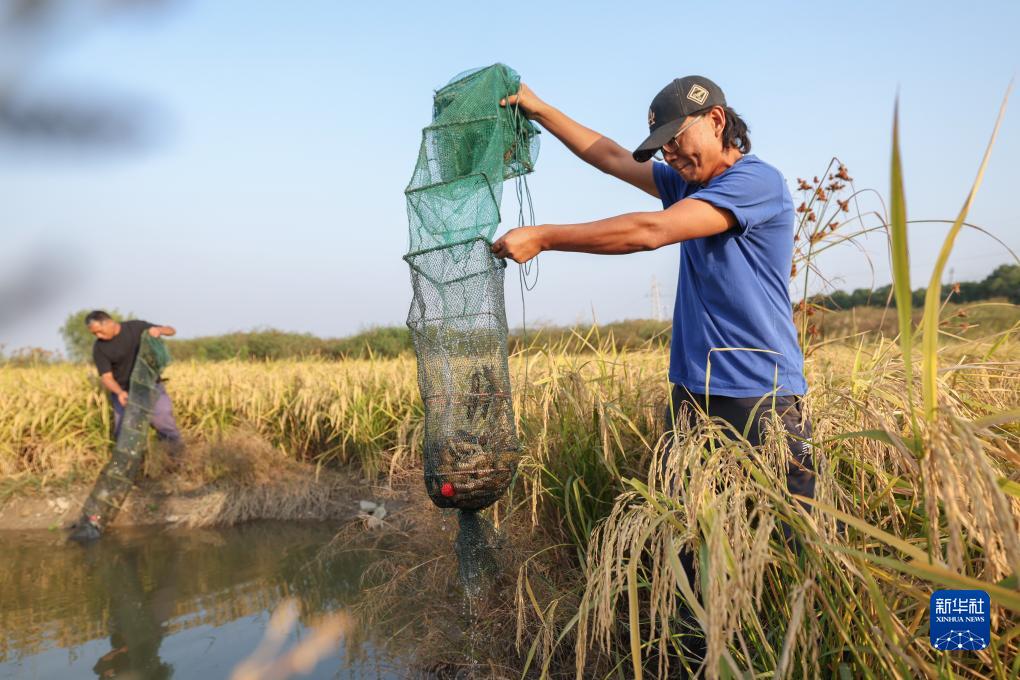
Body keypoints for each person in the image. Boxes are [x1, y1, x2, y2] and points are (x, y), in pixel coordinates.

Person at [491, 76, 815, 664]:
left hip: (761, 401)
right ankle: (699, 660)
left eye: (678, 139)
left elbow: (651, 232)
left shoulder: (753, 183)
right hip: (692, 397)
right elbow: (612, 157)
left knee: (789, 547)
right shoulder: (687, 180)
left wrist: (544, 237)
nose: (670, 155)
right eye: (662, 147)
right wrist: (540, 108)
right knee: (689, 544)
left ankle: (797, 657)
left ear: (717, 121)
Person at [85, 310, 183, 454]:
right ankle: (132, 465)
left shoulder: (136, 328)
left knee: (163, 421)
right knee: (124, 431)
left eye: (99, 331)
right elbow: (106, 377)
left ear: (109, 322)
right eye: (94, 334)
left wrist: (157, 330)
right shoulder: (100, 347)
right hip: (125, 392)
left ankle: (176, 457)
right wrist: (119, 393)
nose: (98, 336)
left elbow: (171, 330)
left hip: (151, 386)